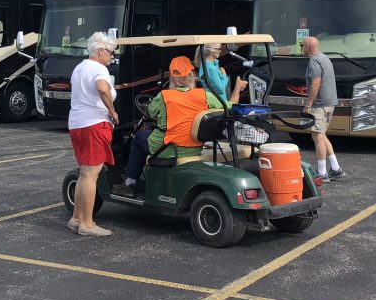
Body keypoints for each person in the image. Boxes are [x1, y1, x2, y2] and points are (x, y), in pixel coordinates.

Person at [114, 56, 247, 197]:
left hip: (167, 149)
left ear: (173, 78)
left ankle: (130, 183)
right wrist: (237, 88)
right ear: (191, 76)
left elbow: (151, 112)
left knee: (138, 136)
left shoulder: (164, 96)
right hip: (194, 147)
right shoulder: (204, 95)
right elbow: (230, 107)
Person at [67, 31, 119, 237]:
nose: (111, 57)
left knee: (84, 173)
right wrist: (112, 111)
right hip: (94, 124)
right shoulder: (99, 69)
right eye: (110, 52)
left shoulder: (79, 68)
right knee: (91, 175)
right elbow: (102, 89)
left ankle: (77, 217)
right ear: (99, 51)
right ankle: (87, 223)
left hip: (77, 123)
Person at [302, 36, 346, 181]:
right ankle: (335, 168)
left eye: (302, 45)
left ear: (308, 47)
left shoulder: (314, 61)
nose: (302, 48)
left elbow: (316, 84)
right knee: (322, 134)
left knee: (317, 136)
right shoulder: (325, 58)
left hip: (319, 104)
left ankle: (322, 173)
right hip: (330, 103)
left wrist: (308, 104)